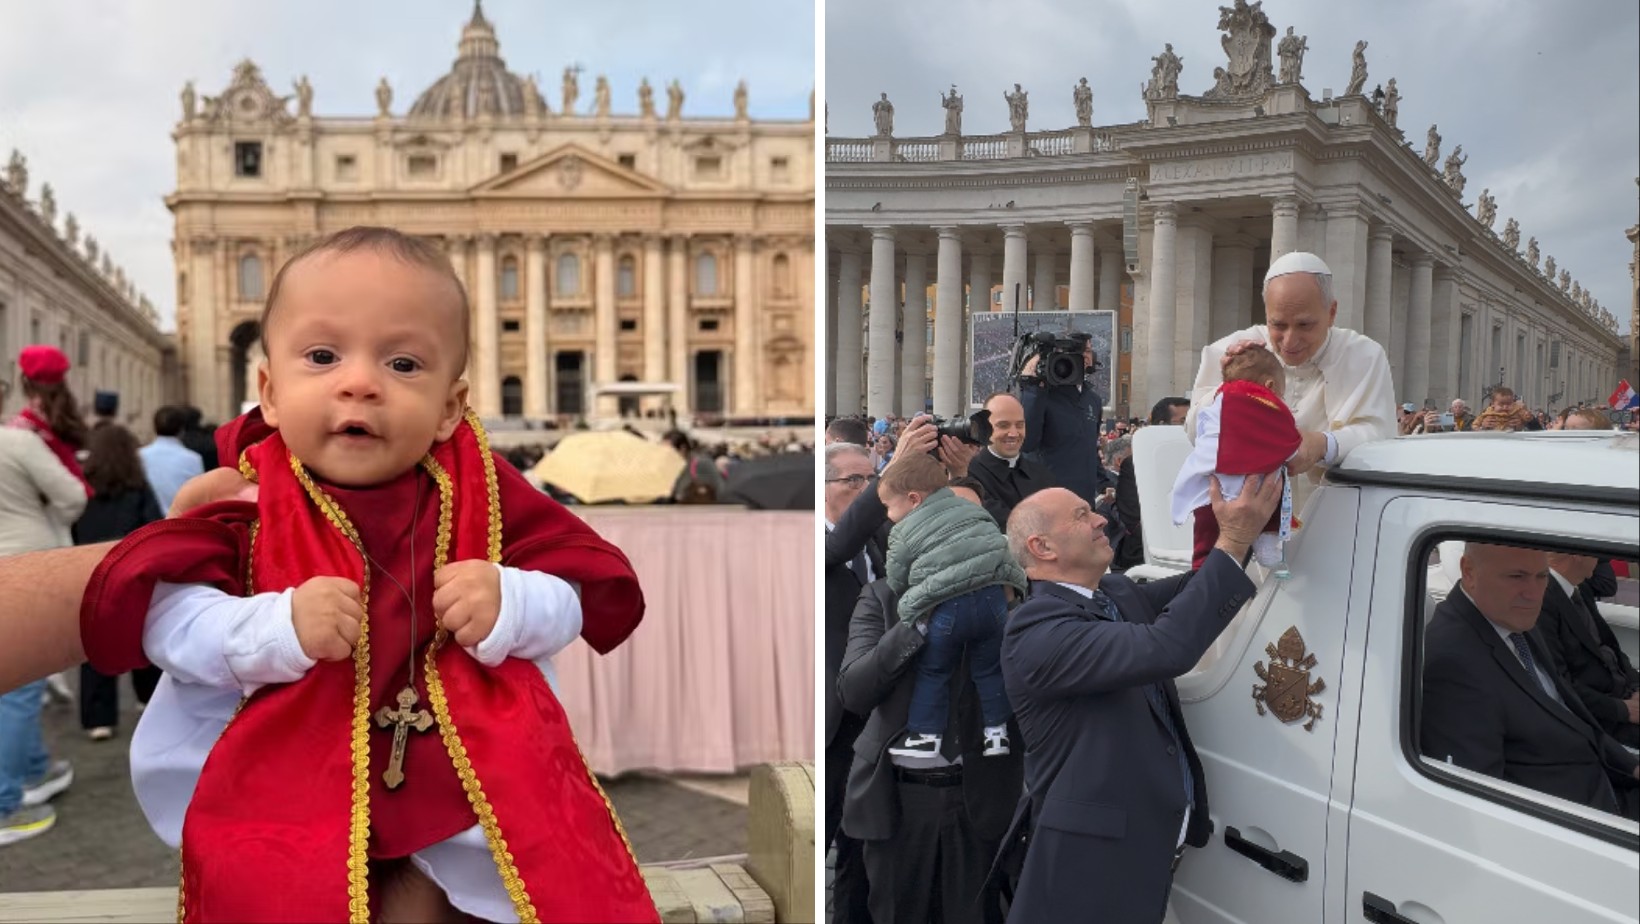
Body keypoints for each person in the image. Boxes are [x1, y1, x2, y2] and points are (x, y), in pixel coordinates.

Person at [76, 227, 657, 921]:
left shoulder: (486, 493)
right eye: (322, 356)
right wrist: (273, 626)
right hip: (285, 782)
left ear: (450, 407)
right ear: (268, 390)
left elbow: (576, 594)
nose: (359, 382)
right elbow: (167, 622)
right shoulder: (243, 496)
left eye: (405, 364)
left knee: (477, 894)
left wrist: (515, 599)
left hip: (460, 787)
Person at [991, 476, 1282, 923]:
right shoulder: (1035, 632)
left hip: (1144, 844)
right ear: (1042, 547)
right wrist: (1234, 538)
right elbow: (1167, 646)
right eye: (1081, 515)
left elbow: (1198, 591)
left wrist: (1253, 537)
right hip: (1089, 862)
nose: (1099, 519)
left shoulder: (1115, 592)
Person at [837, 477, 1023, 924]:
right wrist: (918, 621)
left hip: (980, 794)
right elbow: (855, 690)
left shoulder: (1012, 602)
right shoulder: (882, 597)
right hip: (899, 799)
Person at [1421, 543, 1638, 820]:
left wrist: (1631, 766)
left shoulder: (1512, 620)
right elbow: (1481, 809)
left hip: (1606, 779)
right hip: (1585, 820)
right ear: (1469, 571)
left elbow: (1569, 712)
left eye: (1542, 576)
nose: (1534, 593)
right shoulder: (1452, 664)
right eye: (1517, 576)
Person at [1187, 251, 1396, 513]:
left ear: (1331, 312)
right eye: (1279, 325)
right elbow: (1195, 432)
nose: (1289, 340)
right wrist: (1230, 387)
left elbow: (1380, 437)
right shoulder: (1233, 351)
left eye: (1304, 325)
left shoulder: (1363, 355)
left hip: (1337, 518)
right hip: (1247, 521)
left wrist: (1321, 445)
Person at [880, 452, 1027, 759]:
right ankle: (997, 734)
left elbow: (896, 577)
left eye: (888, 506)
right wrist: (1015, 592)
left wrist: (909, 599)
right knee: (989, 669)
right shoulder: (975, 511)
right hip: (993, 603)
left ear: (913, 499)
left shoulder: (903, 532)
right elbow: (1002, 549)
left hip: (948, 608)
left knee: (934, 670)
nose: (888, 515)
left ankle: (926, 736)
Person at [0, 365, 90, 846]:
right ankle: (3, 803)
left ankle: (33, 767)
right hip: (21, 567)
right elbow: (73, 496)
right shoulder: (17, 443)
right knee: (17, 687)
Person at [72, 423, 167, 741]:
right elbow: (153, 525)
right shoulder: (138, 486)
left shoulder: (81, 487)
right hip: (129, 569)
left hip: (87, 570)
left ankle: (99, 718)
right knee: (141, 638)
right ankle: (147, 698)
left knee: (93, 645)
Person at [821, 439, 883, 924]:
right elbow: (838, 546)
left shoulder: (880, 544)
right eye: (853, 481)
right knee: (811, 840)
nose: (865, 491)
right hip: (825, 724)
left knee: (860, 852)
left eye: (871, 478)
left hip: (873, 721)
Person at [1172, 347, 1302, 570]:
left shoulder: (1217, 399)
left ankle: (1200, 576)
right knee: (1274, 494)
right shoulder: (1265, 403)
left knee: (1205, 542)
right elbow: (1288, 439)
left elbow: (1200, 431)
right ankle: (1266, 545)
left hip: (1208, 492)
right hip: (1248, 491)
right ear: (1270, 385)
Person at [1535, 551, 1640, 748]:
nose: (1603, 561)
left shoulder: (1579, 587)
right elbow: (1559, 682)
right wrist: (1624, 710)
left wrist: (1636, 686)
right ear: (1577, 555)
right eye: (1597, 555)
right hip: (1601, 719)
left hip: (1624, 693)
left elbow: (1610, 646)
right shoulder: (1541, 601)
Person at [1018, 339, 1110, 507]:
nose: (1082, 357)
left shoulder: (1093, 400)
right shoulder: (1040, 396)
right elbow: (1026, 443)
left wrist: (1104, 484)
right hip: (1048, 499)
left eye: (1087, 351)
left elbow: (1091, 449)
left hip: (1084, 500)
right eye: (1075, 353)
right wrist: (1032, 386)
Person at [1112, 398, 1190, 572]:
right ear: (1162, 425)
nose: (1191, 428)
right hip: (1147, 553)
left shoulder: (1200, 463)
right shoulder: (1136, 464)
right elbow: (1133, 518)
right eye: (1184, 422)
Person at [968, 392, 1058, 529]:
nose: (1014, 433)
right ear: (983, 428)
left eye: (1020, 425)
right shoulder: (969, 475)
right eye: (1003, 425)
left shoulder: (1043, 476)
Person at [139, 405, 205, 515]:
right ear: (182, 429)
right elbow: (199, 497)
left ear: (154, 427)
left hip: (147, 525)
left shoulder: (139, 456)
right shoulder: (193, 459)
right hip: (180, 522)